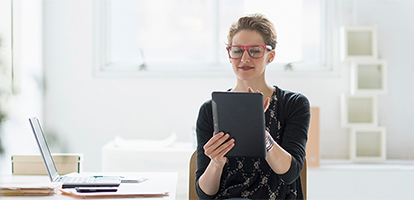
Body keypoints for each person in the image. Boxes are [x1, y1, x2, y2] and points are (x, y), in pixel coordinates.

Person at [195, 13, 311, 200]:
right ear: (229, 54)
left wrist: (260, 132)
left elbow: (290, 173)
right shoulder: (210, 110)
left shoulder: (294, 104)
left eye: (255, 51)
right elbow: (205, 194)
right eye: (237, 50)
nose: (245, 58)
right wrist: (216, 163)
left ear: (270, 56)